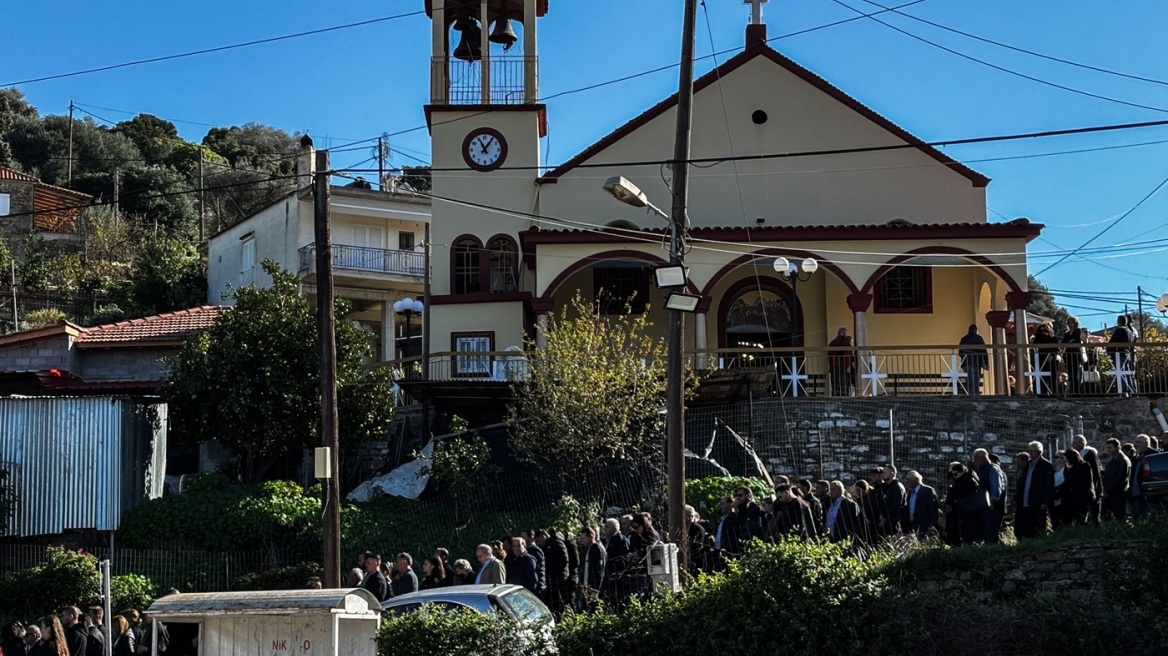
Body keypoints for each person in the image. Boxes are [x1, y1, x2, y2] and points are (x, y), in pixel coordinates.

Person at [1015, 441, 1056, 538]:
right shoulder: (1028, 465)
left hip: (1038, 503)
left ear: (1039, 451)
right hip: (1026, 503)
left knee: (1038, 528)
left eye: (1032, 450)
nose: (1030, 453)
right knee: (1026, 528)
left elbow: (1049, 486)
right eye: (1029, 450)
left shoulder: (1046, 465)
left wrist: (1045, 502)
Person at [944, 462, 984, 545]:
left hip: (967, 508)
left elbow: (965, 492)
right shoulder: (957, 479)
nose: (953, 476)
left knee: (967, 530)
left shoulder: (969, 478)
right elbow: (951, 493)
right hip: (958, 509)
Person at [972, 449, 1006, 543]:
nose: (974, 460)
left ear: (984, 457)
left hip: (992, 507)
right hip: (983, 506)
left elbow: (996, 486)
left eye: (976, 457)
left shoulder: (992, 468)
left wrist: (992, 501)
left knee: (990, 532)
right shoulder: (980, 470)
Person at [1072, 434, 1103, 523]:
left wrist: (1093, 488)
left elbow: (1095, 473)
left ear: (1082, 443)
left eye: (1075, 443)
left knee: (1093, 514)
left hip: (1091, 489)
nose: (1072, 445)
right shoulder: (1077, 455)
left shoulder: (1089, 455)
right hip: (1081, 490)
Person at [1129, 434, 1160, 519]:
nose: (1136, 444)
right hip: (1137, 494)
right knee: (1139, 518)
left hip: (1149, 494)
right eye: (1135, 442)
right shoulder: (1137, 458)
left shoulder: (1154, 456)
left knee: (1152, 517)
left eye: (1139, 442)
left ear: (1147, 443)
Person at [900, 471, 939, 538]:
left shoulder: (927, 491)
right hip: (913, 527)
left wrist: (932, 526)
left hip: (924, 527)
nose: (906, 481)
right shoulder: (910, 493)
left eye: (908, 479)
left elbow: (933, 510)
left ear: (915, 479)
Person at [577, 526, 607, 612]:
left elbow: (599, 571)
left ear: (591, 536)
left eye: (584, 538)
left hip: (593, 588)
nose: (582, 541)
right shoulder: (589, 550)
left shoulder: (597, 550)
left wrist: (595, 589)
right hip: (587, 587)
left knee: (593, 610)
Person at [1063, 449, 1096, 525]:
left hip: (1082, 496)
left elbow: (1084, 482)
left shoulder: (1084, 466)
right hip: (1073, 497)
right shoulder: (1068, 468)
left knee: (1081, 518)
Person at [1101, 437, 1131, 521]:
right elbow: (1107, 477)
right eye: (1107, 448)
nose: (1108, 450)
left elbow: (1120, 479)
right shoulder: (1111, 462)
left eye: (1110, 448)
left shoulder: (1123, 461)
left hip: (1117, 495)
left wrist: (1108, 491)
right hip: (1108, 495)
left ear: (1118, 447)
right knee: (1106, 518)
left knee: (1117, 518)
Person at [958, 324, 988, 395]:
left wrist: (965, 358)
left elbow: (960, 352)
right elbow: (984, 351)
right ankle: (975, 397)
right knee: (975, 382)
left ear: (969, 330)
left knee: (969, 382)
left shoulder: (963, 339)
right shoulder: (979, 338)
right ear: (976, 331)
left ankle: (969, 396)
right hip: (975, 363)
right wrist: (986, 363)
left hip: (965, 363)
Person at [1032, 323, 1060, 396]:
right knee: (1041, 378)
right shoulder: (1038, 337)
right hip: (1041, 359)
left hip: (1051, 359)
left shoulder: (1052, 337)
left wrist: (1052, 355)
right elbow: (1036, 345)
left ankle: (1053, 394)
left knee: (1052, 378)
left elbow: (1056, 348)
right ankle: (1042, 393)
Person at [1061, 316, 1086, 395]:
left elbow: (1078, 340)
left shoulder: (1078, 331)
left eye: (1071, 322)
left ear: (1075, 323)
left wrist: (1070, 342)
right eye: (1068, 323)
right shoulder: (1066, 334)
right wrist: (1069, 342)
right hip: (1068, 356)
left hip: (1076, 355)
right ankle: (1073, 391)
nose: (1070, 324)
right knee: (1071, 375)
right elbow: (1063, 344)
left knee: (1076, 374)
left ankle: (1077, 391)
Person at [828, 327, 854, 396]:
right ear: (845, 333)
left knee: (835, 383)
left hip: (833, 366)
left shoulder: (832, 342)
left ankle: (835, 396)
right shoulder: (845, 341)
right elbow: (847, 353)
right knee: (843, 383)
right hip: (842, 365)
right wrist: (848, 366)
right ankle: (844, 397)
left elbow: (829, 356)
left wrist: (831, 366)